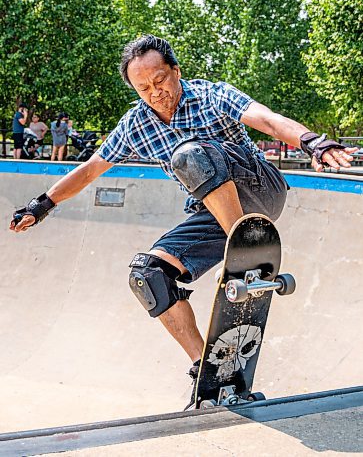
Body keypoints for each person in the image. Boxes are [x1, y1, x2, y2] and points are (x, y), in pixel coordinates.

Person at [9, 35, 357, 409]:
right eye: (144, 88)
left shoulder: (210, 95)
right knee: (148, 275)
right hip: (212, 214)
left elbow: (266, 119)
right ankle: (210, 369)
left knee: (189, 155)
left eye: (160, 80)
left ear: (176, 70)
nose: (155, 93)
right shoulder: (135, 125)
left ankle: (246, 248)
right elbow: (92, 168)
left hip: (259, 188)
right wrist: (42, 203)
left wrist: (311, 141)